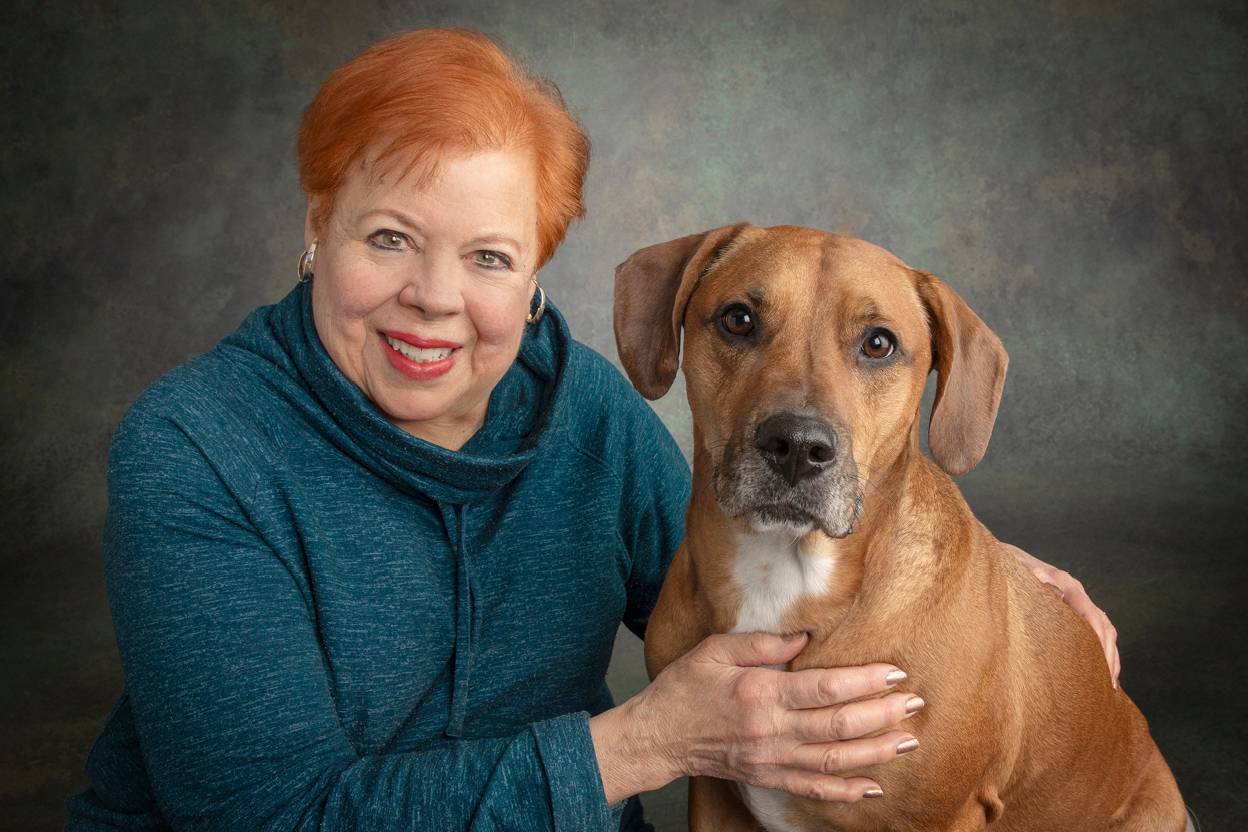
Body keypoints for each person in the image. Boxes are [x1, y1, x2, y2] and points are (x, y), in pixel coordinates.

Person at [64, 27, 1120, 831]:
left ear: (534, 276)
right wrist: (633, 748)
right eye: (389, 237)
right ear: (314, 229)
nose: (433, 297)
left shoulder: (578, 408)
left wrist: (995, 591)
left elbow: (739, 551)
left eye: (487, 257)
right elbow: (266, 816)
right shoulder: (196, 449)